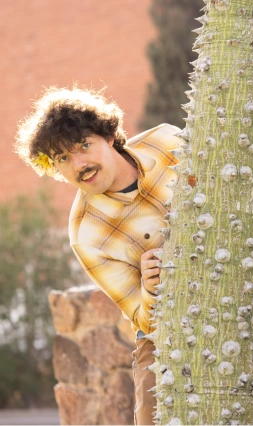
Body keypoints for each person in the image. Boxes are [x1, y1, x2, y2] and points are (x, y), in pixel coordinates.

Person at [14, 87, 181, 425]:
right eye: (63, 159)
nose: (80, 165)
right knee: (151, 415)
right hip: (168, 324)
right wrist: (150, 285)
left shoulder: (167, 141)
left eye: (83, 146)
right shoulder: (85, 234)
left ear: (108, 135)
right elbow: (144, 319)